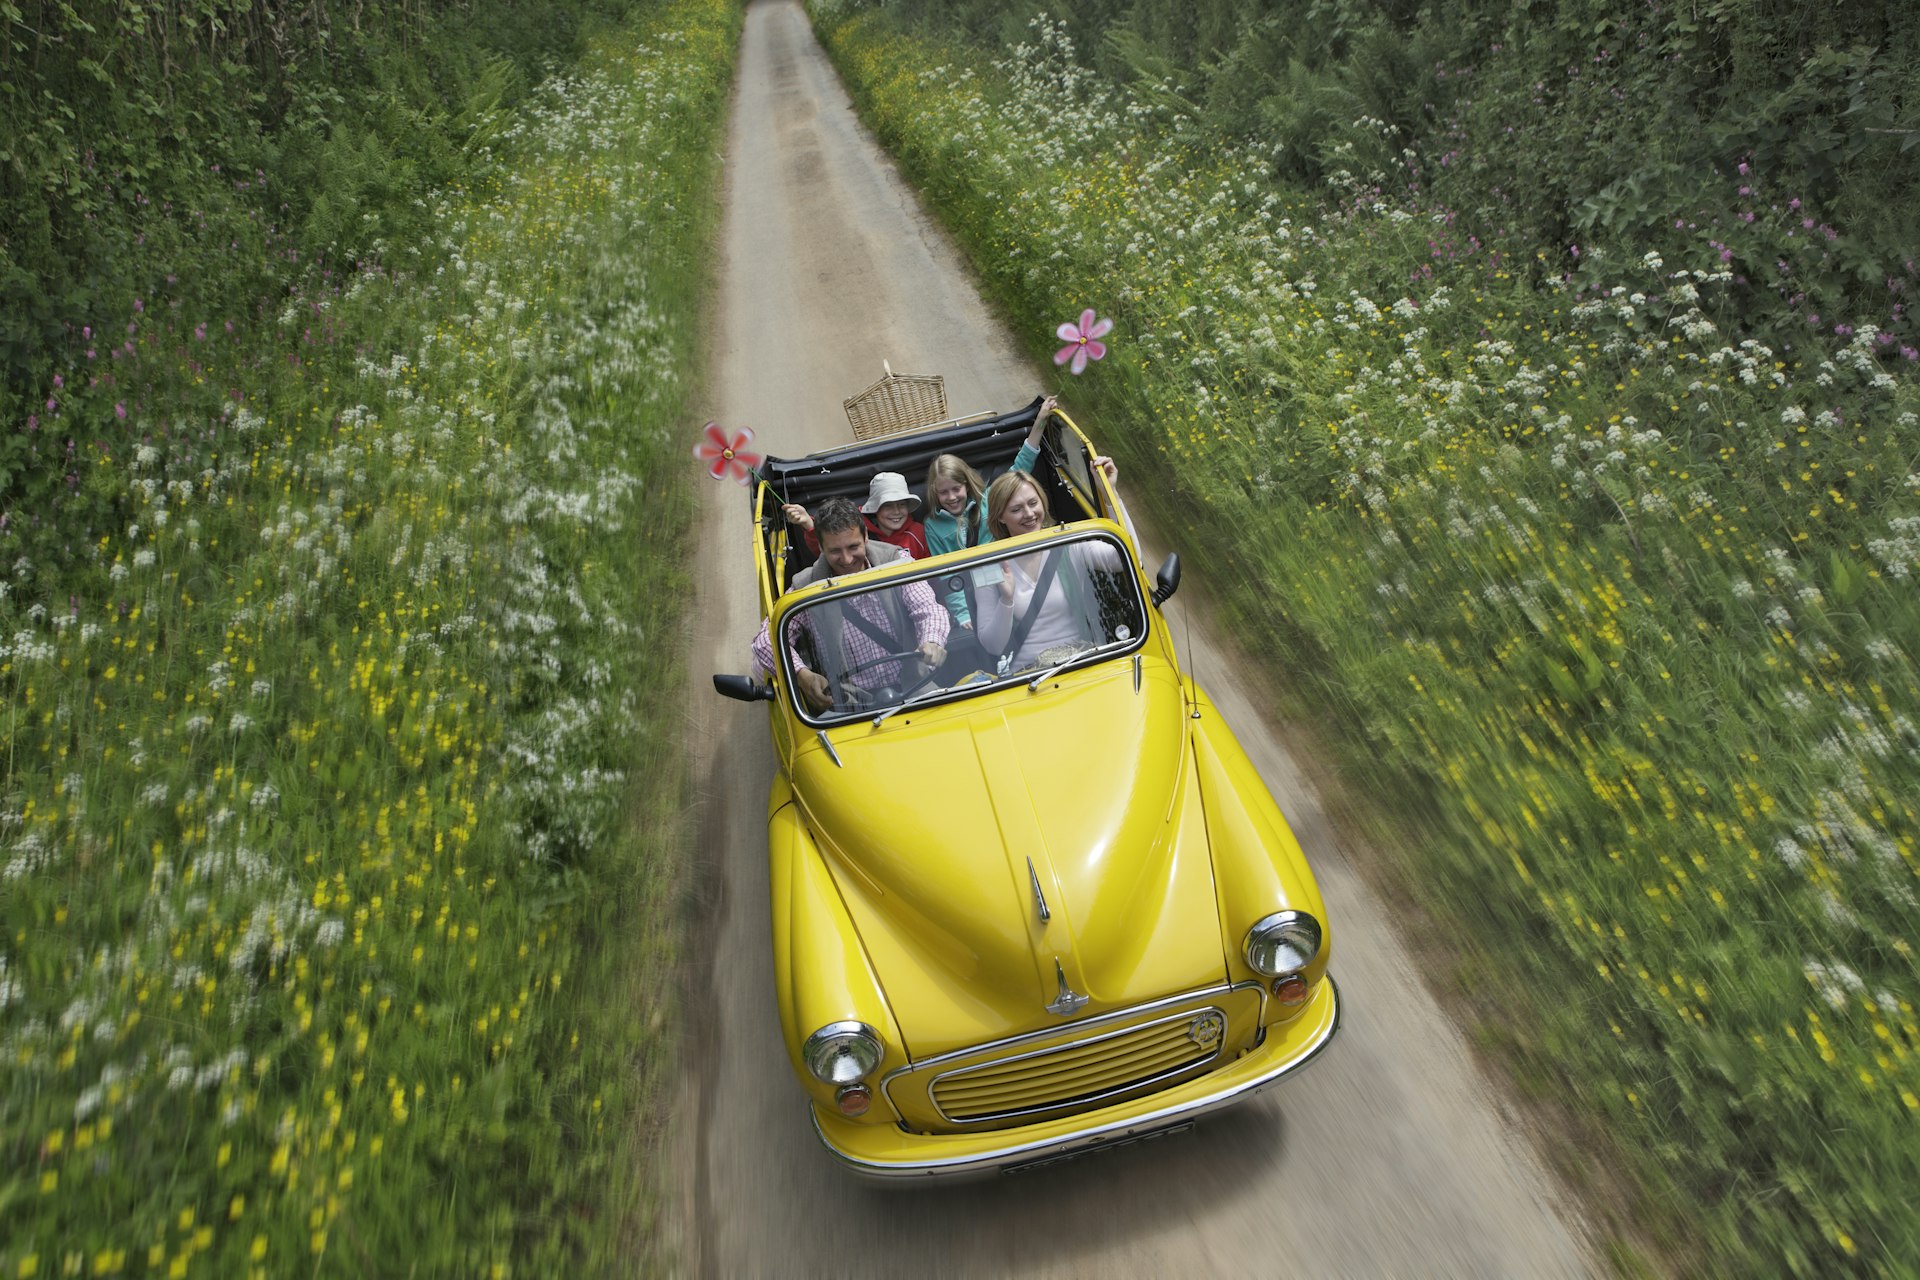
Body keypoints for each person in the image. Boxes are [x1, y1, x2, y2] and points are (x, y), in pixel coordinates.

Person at [752, 498, 948, 710]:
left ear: (865, 537)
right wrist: (802, 675)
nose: (846, 560)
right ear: (820, 547)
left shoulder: (896, 561)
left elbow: (928, 608)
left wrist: (932, 641)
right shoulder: (805, 586)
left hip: (914, 688)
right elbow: (765, 641)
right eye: (835, 551)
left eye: (853, 547)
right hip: (849, 704)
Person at [972, 456, 1134, 671]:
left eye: (1033, 503)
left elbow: (1126, 559)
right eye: (1016, 509)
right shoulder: (988, 564)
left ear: (1042, 502)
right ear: (1000, 517)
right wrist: (1006, 599)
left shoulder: (1069, 543)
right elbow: (992, 646)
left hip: (1082, 661)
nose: (1029, 514)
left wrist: (1109, 492)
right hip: (1027, 674)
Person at [923, 394, 1056, 627]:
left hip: (1007, 575)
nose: (952, 497)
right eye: (944, 493)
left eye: (956, 489)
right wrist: (963, 613)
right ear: (934, 493)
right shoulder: (933, 526)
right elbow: (947, 573)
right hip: (974, 591)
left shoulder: (989, 500)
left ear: (967, 485)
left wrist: (1040, 422)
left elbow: (1021, 465)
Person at [785, 472, 930, 562]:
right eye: (888, 505)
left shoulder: (918, 533)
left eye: (902, 504)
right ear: (875, 508)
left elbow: (928, 569)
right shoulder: (854, 524)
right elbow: (829, 550)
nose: (896, 511)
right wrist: (809, 525)